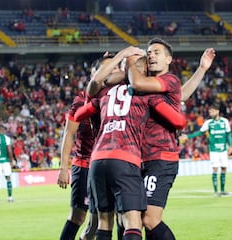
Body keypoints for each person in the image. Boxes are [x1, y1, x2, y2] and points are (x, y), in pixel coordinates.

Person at [75, 54, 186, 240]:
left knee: (104, 223)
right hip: (125, 159)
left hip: (97, 161)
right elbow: (179, 121)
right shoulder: (146, 94)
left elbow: (79, 114)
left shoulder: (104, 93)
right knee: (133, 222)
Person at [126, 38, 215, 240]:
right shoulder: (154, 84)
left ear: (168, 59)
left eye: (157, 52)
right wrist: (201, 69)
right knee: (136, 218)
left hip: (160, 158)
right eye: (149, 52)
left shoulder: (169, 79)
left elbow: (138, 82)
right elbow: (181, 95)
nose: (151, 55)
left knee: (149, 219)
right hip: (139, 158)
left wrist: (128, 60)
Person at [57, 56, 116, 240]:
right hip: (84, 165)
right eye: (106, 69)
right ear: (94, 74)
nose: (110, 73)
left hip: (108, 165)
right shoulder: (81, 100)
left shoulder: (116, 97)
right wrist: (64, 168)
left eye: (113, 69)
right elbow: (69, 133)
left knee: (101, 220)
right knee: (78, 216)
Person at [186, 103, 232, 197]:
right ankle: (216, 191)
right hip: (214, 150)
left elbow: (228, 134)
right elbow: (200, 132)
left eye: (212, 111)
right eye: (210, 112)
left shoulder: (225, 121)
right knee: (215, 168)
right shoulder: (208, 123)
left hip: (223, 149)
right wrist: (188, 136)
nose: (211, 113)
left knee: (224, 168)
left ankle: (222, 190)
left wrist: (230, 146)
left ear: (217, 111)